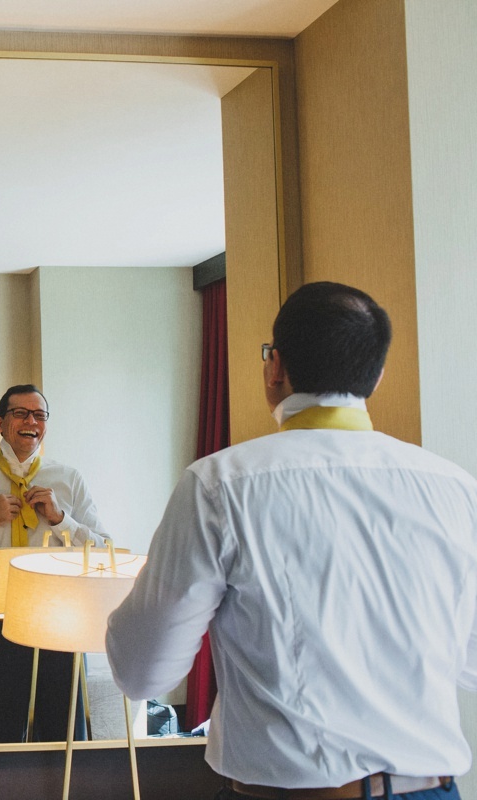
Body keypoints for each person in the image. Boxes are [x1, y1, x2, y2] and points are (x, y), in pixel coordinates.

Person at [106, 282, 477, 798]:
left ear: (274, 367)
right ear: (376, 376)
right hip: (432, 789)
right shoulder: (455, 488)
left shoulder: (219, 485)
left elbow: (144, 673)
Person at [0, 384, 107, 744]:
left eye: (40, 415)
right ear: (0, 423)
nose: (32, 422)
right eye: (21, 413)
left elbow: (104, 550)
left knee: (61, 732)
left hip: (60, 619)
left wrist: (62, 520)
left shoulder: (69, 479)